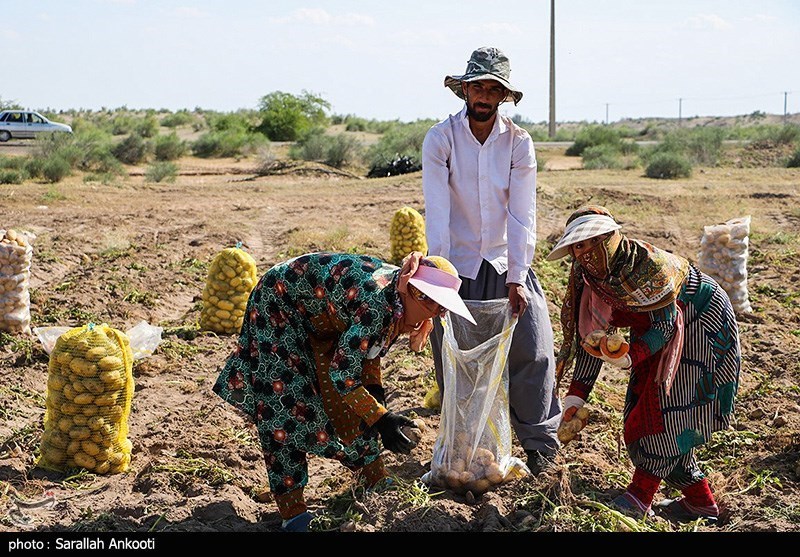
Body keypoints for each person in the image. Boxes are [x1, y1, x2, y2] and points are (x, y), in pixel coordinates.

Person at [212, 251, 475, 532]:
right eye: (436, 306)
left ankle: (373, 477)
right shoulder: (377, 302)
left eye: (443, 309)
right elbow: (344, 373)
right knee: (286, 407)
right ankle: (293, 512)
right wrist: (381, 418)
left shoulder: (397, 303)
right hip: (277, 307)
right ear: (415, 293)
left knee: (357, 403)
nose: (438, 315)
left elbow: (367, 351)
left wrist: (376, 401)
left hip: (319, 317)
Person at [549, 206, 741, 524]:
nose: (583, 253)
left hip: (698, 320)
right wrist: (576, 397)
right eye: (577, 246)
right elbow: (590, 340)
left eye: (590, 242)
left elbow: (665, 325)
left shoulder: (645, 266)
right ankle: (700, 502)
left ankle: (639, 497)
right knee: (643, 408)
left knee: (665, 411)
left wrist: (630, 356)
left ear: (610, 238)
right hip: (652, 332)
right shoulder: (588, 280)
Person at [421, 46, 562, 474]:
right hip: (458, 269)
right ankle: (464, 456)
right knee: (458, 364)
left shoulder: (518, 143)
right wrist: (439, 283)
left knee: (533, 355)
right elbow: (438, 212)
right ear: (464, 90)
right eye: (476, 86)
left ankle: (542, 454)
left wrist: (518, 277)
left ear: (504, 96)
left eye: (492, 89)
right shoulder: (440, 139)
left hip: (505, 267)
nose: (483, 96)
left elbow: (522, 214)